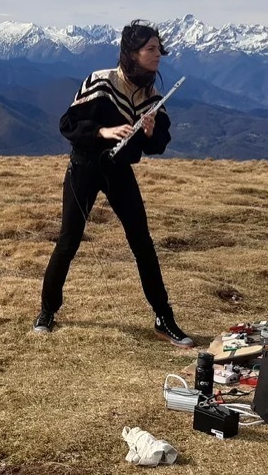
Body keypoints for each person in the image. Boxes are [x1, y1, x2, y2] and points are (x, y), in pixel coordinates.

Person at [32, 19, 194, 348]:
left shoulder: (151, 94)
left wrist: (149, 131)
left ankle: (164, 319)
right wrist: (102, 133)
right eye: (151, 49)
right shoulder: (100, 82)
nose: (157, 55)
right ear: (132, 53)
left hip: (119, 170)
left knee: (142, 244)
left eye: (158, 49)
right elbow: (68, 123)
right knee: (69, 239)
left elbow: (158, 143)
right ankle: (47, 311)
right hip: (86, 166)